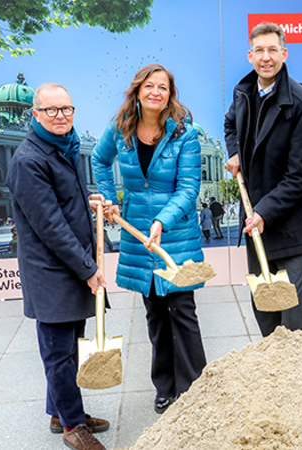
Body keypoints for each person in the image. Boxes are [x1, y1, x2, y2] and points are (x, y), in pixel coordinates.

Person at [92, 63, 207, 415]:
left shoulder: (184, 134)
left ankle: (195, 387)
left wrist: (162, 219)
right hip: (137, 236)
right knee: (156, 315)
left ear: (170, 94)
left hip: (175, 235)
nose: (156, 92)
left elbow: (189, 189)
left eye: (164, 88)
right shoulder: (120, 129)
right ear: (138, 91)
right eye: (150, 86)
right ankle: (165, 387)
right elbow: (99, 160)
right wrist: (110, 199)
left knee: (182, 311)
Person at [5, 82, 110, 450]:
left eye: (66, 109)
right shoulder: (29, 160)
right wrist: (88, 268)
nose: (60, 116)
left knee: (70, 346)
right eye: (51, 110)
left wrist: (90, 201)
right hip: (51, 272)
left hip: (70, 266)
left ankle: (62, 411)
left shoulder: (63, 147)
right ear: (35, 114)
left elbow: (64, 205)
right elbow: (50, 226)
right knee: (59, 354)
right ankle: (71, 427)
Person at [224, 22, 302, 337]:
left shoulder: (301, 103)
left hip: (290, 224)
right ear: (250, 55)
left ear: (284, 53)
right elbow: (230, 124)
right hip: (258, 223)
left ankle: (298, 376)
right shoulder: (244, 92)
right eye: (260, 51)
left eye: (273, 50)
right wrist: (235, 151)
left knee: (291, 314)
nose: (266, 57)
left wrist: (264, 212)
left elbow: (301, 174)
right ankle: (272, 374)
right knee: (264, 306)